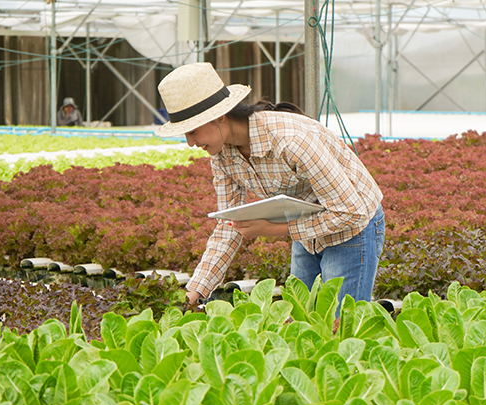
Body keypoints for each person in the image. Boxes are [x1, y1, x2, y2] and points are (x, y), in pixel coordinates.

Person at [155, 62, 385, 308]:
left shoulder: (292, 141)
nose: (190, 143)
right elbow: (228, 226)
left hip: (352, 228)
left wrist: (274, 229)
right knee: (301, 320)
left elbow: (351, 211)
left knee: (340, 323)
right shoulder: (222, 155)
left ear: (219, 116)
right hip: (308, 229)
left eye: (192, 131)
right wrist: (195, 292)